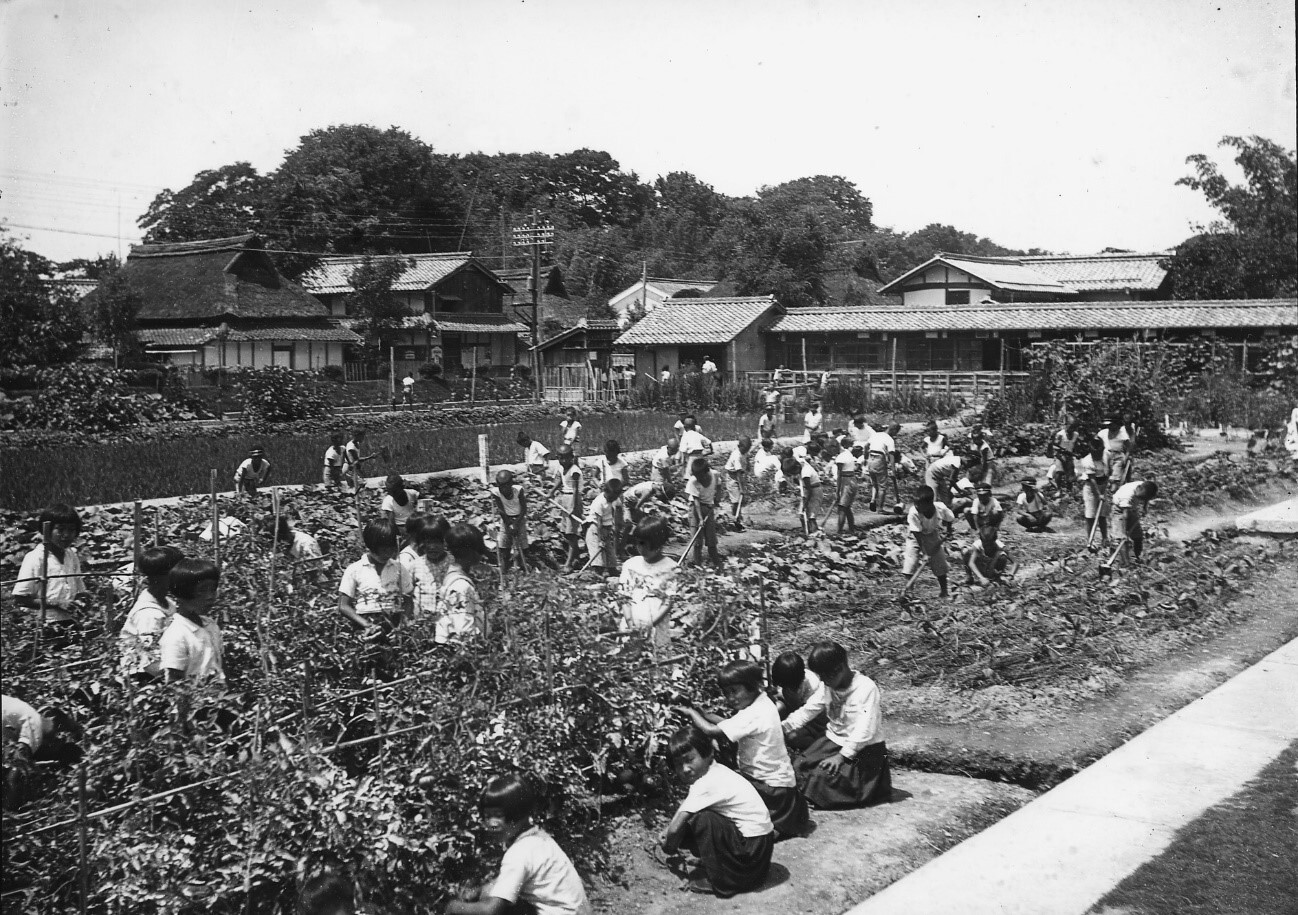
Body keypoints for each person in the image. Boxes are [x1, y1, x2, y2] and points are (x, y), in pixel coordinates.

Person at [676, 660, 809, 840]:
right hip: (779, 782)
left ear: (753, 686)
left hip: (770, 786)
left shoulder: (753, 714)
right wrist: (702, 713)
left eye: (734, 691)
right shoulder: (762, 704)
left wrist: (691, 713)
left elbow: (711, 730)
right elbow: (726, 723)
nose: (730, 698)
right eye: (726, 693)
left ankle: (769, 831)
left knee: (732, 804)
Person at [447, 773, 592, 915]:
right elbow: (504, 883)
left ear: (517, 814)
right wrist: (479, 891)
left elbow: (491, 910)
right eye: (487, 816)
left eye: (498, 816)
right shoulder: (538, 839)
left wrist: (454, 908)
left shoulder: (519, 852)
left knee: (497, 907)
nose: (491, 824)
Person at [660, 726, 775, 898]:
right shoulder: (716, 771)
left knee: (702, 820)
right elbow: (683, 811)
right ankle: (716, 864)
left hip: (752, 856)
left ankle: (725, 880)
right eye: (678, 765)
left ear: (708, 754)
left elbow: (676, 827)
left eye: (689, 759)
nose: (685, 769)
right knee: (699, 817)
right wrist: (669, 831)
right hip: (759, 853)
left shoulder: (707, 783)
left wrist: (668, 846)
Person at [781, 641, 891, 810]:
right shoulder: (827, 686)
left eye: (825, 676)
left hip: (862, 749)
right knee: (798, 766)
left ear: (839, 669)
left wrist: (841, 756)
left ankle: (857, 790)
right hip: (833, 740)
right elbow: (808, 710)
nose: (822, 681)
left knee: (821, 777)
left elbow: (865, 730)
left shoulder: (866, 688)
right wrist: (783, 727)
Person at [11, 503, 86, 635]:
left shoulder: (71, 555)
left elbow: (79, 588)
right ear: (47, 530)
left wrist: (82, 599)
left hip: (70, 622)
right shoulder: (36, 558)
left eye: (71, 530)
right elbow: (20, 599)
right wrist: (56, 603)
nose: (66, 535)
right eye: (60, 530)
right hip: (43, 623)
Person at [3, 696, 84, 810]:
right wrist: (9, 812)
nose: (55, 737)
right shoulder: (36, 724)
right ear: (47, 715)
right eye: (57, 729)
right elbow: (16, 769)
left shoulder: (25, 712)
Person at [119, 545, 184, 681]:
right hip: (144, 679)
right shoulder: (149, 614)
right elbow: (150, 662)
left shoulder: (166, 602)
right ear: (161, 577)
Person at [338, 520, 413, 635]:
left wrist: (401, 625)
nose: (387, 554)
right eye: (383, 550)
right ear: (371, 546)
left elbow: (409, 602)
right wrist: (367, 625)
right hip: (364, 623)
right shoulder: (355, 569)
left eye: (391, 550)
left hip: (393, 622)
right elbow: (343, 605)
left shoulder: (399, 568)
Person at [160, 558, 226, 683]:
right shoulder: (176, 635)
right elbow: (174, 683)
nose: (210, 596)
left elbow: (220, 666)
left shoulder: (211, 625)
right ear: (182, 593)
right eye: (202, 590)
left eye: (213, 589)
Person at [618, 517, 678, 646]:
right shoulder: (630, 565)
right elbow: (624, 597)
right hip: (632, 624)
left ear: (658, 543)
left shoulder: (671, 568)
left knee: (655, 660)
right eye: (638, 543)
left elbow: (668, 602)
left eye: (644, 544)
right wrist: (630, 623)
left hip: (655, 627)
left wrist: (651, 624)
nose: (640, 548)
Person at [437, 523, 490, 643]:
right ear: (470, 552)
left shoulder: (451, 575)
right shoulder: (461, 586)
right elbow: (464, 628)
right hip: (463, 650)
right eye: (479, 550)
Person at [903, 485, 955, 599]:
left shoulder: (940, 508)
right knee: (911, 560)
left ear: (929, 503)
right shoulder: (913, 513)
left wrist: (949, 530)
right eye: (915, 503)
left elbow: (950, 518)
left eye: (919, 504)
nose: (916, 506)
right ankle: (909, 592)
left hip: (932, 534)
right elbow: (917, 535)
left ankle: (944, 591)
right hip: (915, 536)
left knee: (939, 562)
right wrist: (925, 553)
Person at [771, 652, 827, 750]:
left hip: (812, 720)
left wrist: (783, 728)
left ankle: (821, 746)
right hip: (794, 710)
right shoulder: (785, 678)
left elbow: (808, 713)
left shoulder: (811, 685)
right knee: (777, 709)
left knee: (793, 738)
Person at [490, 471, 529, 576]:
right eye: (500, 486)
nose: (503, 489)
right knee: (504, 542)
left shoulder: (518, 491)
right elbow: (501, 510)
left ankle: (522, 565)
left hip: (519, 519)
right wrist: (508, 523)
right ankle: (504, 566)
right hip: (506, 519)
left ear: (511, 483)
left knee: (521, 543)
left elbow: (524, 508)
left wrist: (516, 523)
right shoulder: (496, 493)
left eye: (506, 486)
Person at [551, 446, 583, 572]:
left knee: (571, 533)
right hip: (564, 498)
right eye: (560, 458)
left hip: (573, 499)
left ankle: (569, 563)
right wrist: (552, 492)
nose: (563, 461)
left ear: (572, 458)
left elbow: (575, 489)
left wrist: (573, 507)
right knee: (566, 532)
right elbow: (560, 482)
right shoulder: (561, 468)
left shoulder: (575, 470)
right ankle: (576, 559)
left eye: (566, 458)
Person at [582, 478, 623, 575]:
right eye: (611, 497)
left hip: (607, 528)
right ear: (606, 491)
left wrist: (616, 526)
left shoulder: (615, 498)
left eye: (614, 497)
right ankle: (596, 574)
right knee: (598, 556)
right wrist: (600, 540)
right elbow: (599, 522)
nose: (612, 499)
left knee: (610, 555)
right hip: (595, 529)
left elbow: (618, 509)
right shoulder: (599, 502)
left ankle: (612, 571)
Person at [685, 457, 722, 565]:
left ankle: (716, 561)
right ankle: (697, 563)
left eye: (700, 476)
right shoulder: (693, 481)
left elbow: (719, 485)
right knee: (697, 540)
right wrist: (700, 519)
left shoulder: (714, 474)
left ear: (706, 472)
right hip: (695, 509)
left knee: (711, 538)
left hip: (709, 507)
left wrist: (718, 497)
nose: (698, 478)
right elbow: (696, 502)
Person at [1078, 438, 1113, 549]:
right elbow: (1092, 480)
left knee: (1102, 515)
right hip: (1091, 488)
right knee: (1091, 515)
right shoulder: (1087, 461)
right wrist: (1099, 495)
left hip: (1103, 484)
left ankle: (1104, 539)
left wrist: (1108, 476)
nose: (1097, 455)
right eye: (1095, 453)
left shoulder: (1106, 454)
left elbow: (1109, 467)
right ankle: (1090, 540)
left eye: (1099, 452)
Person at [1112, 480, 1158, 563]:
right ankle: (1126, 564)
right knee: (1122, 539)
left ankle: (1138, 558)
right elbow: (1125, 515)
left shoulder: (1145, 486)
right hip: (1119, 511)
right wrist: (1124, 533)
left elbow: (1146, 497)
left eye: (1143, 498)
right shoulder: (1126, 496)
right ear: (1139, 489)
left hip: (1132, 509)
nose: (1142, 499)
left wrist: (1144, 507)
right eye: (1141, 498)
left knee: (1138, 536)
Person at [829, 442, 862, 534]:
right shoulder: (848, 453)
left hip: (846, 481)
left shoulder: (841, 457)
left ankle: (839, 531)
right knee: (847, 507)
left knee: (842, 507)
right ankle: (851, 529)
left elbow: (839, 474)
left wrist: (837, 490)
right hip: (852, 479)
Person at [865, 423, 898, 513]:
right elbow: (891, 454)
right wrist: (893, 469)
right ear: (893, 430)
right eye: (896, 432)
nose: (895, 435)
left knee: (874, 483)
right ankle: (880, 508)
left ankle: (872, 500)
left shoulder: (876, 435)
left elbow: (866, 446)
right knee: (882, 486)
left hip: (870, 458)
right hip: (879, 458)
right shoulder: (889, 439)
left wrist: (865, 458)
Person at [784, 456, 821, 535]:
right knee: (801, 515)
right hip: (806, 490)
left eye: (794, 473)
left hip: (814, 491)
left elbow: (809, 491)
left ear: (797, 467)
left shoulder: (805, 473)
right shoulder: (799, 462)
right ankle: (806, 532)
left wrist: (805, 503)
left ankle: (815, 533)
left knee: (811, 516)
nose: (794, 475)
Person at [724, 438, 753, 531]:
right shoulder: (736, 455)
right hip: (732, 477)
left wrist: (748, 463)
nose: (746, 451)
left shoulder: (744, 453)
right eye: (745, 449)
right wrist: (741, 488)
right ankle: (734, 520)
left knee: (740, 500)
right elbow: (738, 473)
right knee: (736, 500)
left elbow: (747, 466)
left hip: (740, 475)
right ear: (740, 446)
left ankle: (738, 518)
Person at [1046, 421, 1082, 492]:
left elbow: (1075, 445)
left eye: (1072, 428)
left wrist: (1077, 453)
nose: (1070, 430)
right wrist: (1063, 450)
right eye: (1069, 427)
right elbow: (1054, 446)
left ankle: (1069, 491)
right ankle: (1059, 489)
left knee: (1070, 474)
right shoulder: (1060, 434)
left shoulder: (1076, 434)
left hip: (1069, 456)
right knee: (1059, 472)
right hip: (1060, 455)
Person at [1097, 417, 1133, 484]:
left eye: (1111, 425)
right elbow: (1096, 443)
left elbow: (1129, 447)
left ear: (1116, 424)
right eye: (1108, 425)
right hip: (1106, 454)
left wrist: (1126, 457)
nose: (1109, 427)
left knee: (1115, 477)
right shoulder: (1103, 433)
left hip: (1118, 455)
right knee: (1104, 473)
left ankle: (1114, 488)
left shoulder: (1122, 434)